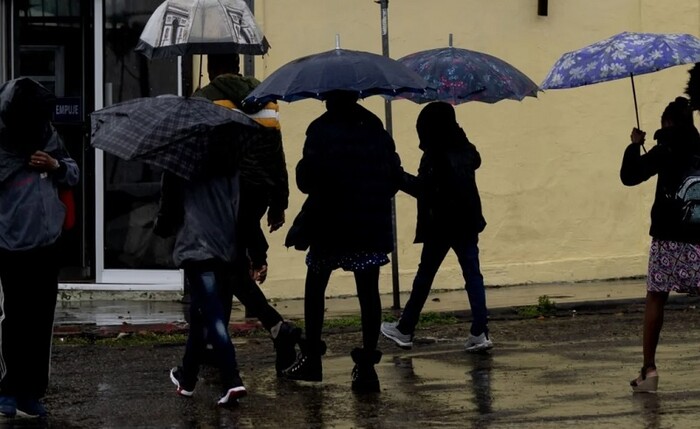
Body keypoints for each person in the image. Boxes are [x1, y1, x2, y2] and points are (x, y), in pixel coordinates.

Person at [282, 90, 404, 393]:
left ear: (329, 98)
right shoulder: (374, 127)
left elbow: (306, 180)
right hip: (367, 222)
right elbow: (391, 175)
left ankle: (312, 359)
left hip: (329, 222)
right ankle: (366, 368)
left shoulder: (320, 129)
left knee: (316, 285)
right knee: (368, 292)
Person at [191, 53, 301, 376]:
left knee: (229, 269)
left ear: (211, 68)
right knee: (230, 265)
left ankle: (277, 327)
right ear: (238, 65)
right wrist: (280, 201)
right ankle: (222, 342)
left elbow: (201, 153)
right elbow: (276, 152)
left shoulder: (206, 98)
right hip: (259, 194)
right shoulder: (264, 95)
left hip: (225, 195)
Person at [380, 101, 492, 353]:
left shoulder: (436, 154)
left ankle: (406, 328)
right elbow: (473, 161)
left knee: (425, 276)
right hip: (466, 220)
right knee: (473, 274)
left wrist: (396, 176)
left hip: (441, 223)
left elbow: (424, 189)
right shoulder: (464, 148)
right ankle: (480, 331)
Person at [0, 77, 80, 417]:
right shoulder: (3, 143)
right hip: (10, 245)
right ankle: (8, 390)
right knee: (14, 319)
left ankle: (31, 392)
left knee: (39, 320)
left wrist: (55, 165)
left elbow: (73, 173)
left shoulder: (48, 136)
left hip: (48, 244)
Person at [622, 96, 700, 393]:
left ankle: (649, 370)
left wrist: (634, 144)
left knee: (656, 297)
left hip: (668, 238)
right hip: (698, 237)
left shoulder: (665, 148)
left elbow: (629, 176)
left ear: (667, 123)